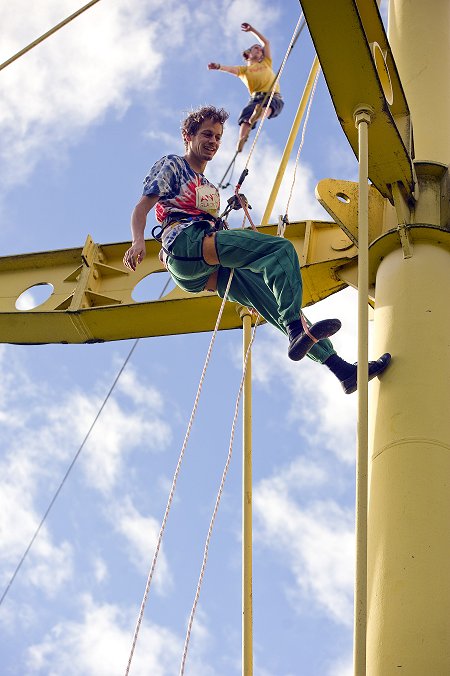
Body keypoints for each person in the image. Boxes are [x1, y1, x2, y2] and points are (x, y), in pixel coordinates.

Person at [123, 105, 391, 393]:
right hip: (186, 244)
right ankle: (295, 329)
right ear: (188, 136)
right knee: (280, 251)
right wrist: (138, 240)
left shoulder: (208, 185)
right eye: (206, 134)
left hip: (204, 268)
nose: (212, 141)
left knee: (275, 302)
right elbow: (142, 207)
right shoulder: (173, 165)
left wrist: (227, 211)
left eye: (217, 137)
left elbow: (209, 220)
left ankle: (341, 369)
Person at [208, 22, 284, 153]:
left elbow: (266, 43)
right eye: (256, 48)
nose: (260, 50)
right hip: (255, 99)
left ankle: (258, 114)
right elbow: (230, 69)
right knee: (245, 116)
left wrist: (252, 30)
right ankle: (241, 139)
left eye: (260, 50)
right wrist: (219, 66)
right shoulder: (244, 70)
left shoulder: (267, 62)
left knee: (270, 107)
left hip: (272, 95)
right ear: (248, 54)